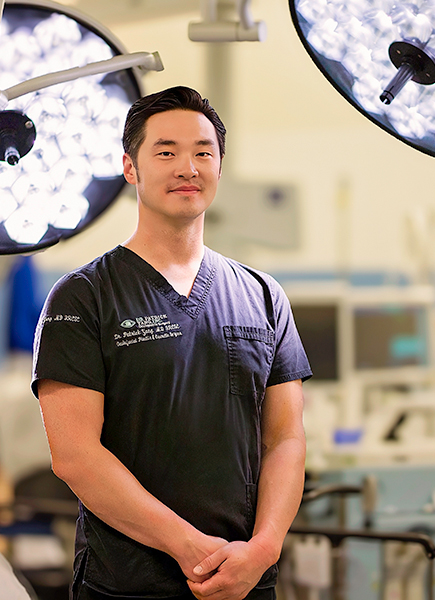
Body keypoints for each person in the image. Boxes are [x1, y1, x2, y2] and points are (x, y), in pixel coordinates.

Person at [31, 86, 311, 600]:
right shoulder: (85, 296)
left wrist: (264, 549)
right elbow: (74, 456)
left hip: (246, 580)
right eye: (166, 152)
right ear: (130, 168)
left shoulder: (263, 296)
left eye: (203, 152)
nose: (188, 167)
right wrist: (191, 549)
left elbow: (286, 439)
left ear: (220, 167)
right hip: (128, 584)